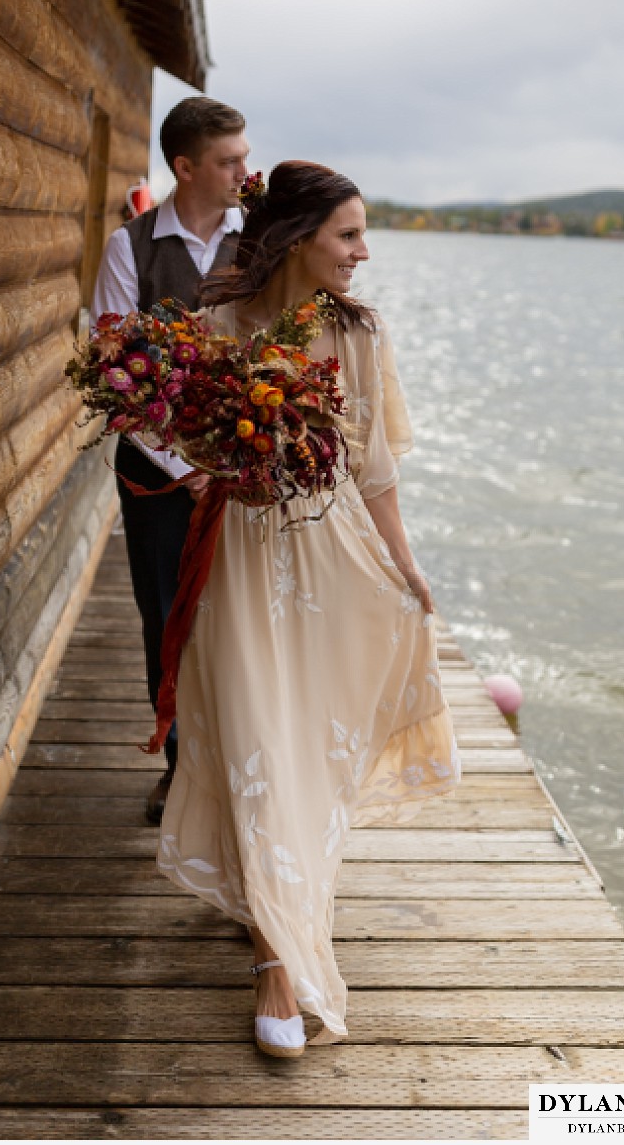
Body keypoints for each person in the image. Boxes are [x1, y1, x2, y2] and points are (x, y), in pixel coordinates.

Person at [156, 160, 461, 1056]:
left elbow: (373, 471)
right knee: (257, 743)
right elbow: (179, 446)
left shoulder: (359, 336)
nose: (363, 252)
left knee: (305, 750)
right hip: (239, 559)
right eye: (349, 234)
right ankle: (276, 964)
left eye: (363, 234)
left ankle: (281, 898)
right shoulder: (214, 326)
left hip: (331, 561)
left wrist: (405, 566)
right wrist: (214, 440)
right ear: (295, 237)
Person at [90, 97, 248, 824]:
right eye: (229, 160)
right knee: (166, 617)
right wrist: (181, 466)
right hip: (154, 477)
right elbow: (112, 372)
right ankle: (182, 768)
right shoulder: (132, 246)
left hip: (244, 476)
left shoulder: (261, 245)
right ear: (185, 168)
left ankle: (239, 772)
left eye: (244, 156)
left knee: (244, 620)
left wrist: (234, 460)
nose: (244, 171)